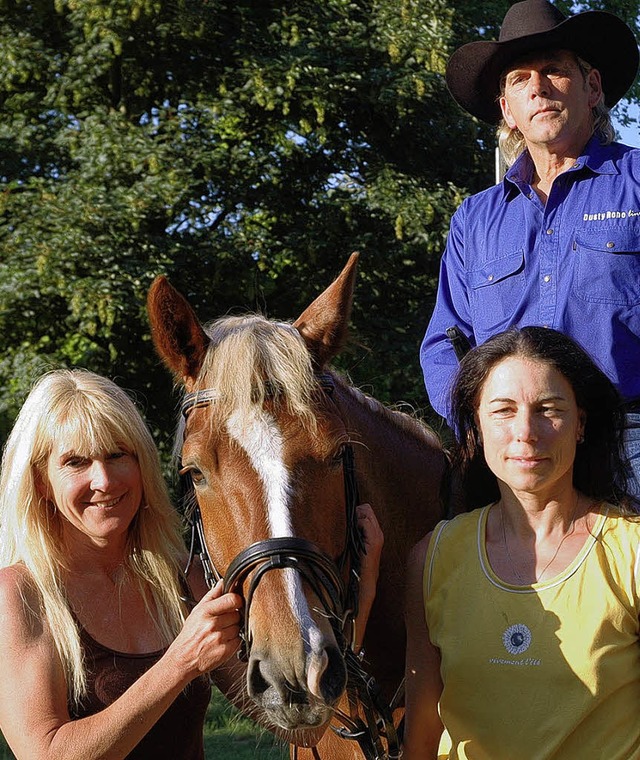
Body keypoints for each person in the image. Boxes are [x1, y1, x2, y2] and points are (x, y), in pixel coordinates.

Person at [0, 369, 383, 759]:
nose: (104, 480)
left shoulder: (186, 580)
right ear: (42, 482)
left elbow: (306, 726)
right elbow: (44, 753)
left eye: (118, 455)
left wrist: (361, 599)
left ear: (142, 464)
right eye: (76, 462)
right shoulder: (17, 595)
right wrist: (180, 663)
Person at [419, 0, 640, 497]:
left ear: (594, 88)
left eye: (554, 72)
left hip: (629, 440)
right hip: (510, 450)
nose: (537, 87)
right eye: (519, 80)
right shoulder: (474, 220)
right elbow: (443, 342)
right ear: (507, 110)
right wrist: (481, 426)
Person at [404, 326, 640, 759]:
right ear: (476, 421)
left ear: (581, 424)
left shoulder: (632, 554)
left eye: (548, 408)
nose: (526, 431)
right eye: (503, 410)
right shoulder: (433, 558)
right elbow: (421, 727)